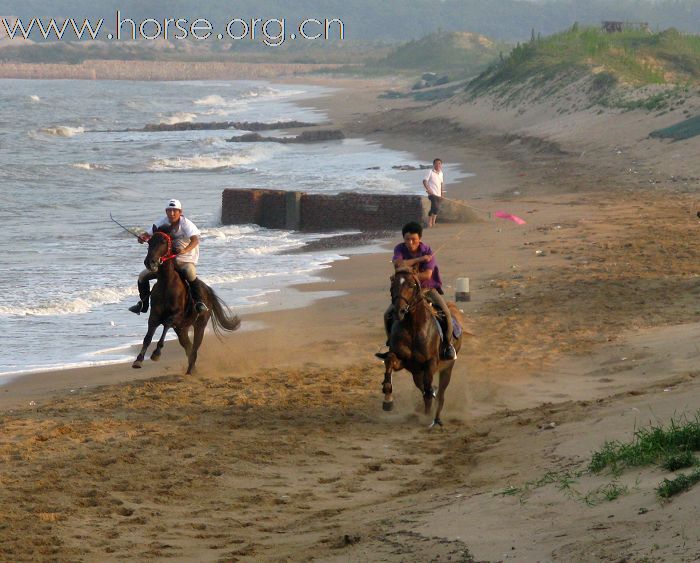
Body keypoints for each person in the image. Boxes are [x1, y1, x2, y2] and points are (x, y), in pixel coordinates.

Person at [382, 221, 456, 360]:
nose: (410, 243)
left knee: (445, 312)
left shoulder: (428, 251)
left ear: (419, 238)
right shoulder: (399, 249)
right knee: (387, 315)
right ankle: (390, 344)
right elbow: (398, 266)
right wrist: (420, 259)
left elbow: (427, 275)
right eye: (407, 239)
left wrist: (409, 273)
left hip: (427, 288)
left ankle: (448, 345)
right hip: (407, 291)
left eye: (413, 239)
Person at [128, 198, 209, 315]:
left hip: (185, 259)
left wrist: (185, 250)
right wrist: (142, 237)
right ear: (166, 212)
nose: (171, 213)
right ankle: (143, 305)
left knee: (190, 273)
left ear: (180, 212)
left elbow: (195, 240)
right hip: (167, 260)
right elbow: (148, 234)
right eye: (169, 211)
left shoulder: (186, 224)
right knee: (142, 276)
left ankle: (199, 303)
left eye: (175, 211)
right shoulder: (162, 221)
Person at [423, 158, 444, 228]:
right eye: (436, 163)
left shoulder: (441, 173)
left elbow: (441, 184)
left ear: (441, 165)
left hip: (438, 194)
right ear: (433, 164)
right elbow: (424, 181)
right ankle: (429, 222)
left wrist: (442, 194)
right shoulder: (430, 171)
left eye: (439, 163)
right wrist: (428, 190)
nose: (438, 165)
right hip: (432, 194)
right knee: (435, 207)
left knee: (435, 209)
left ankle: (433, 222)